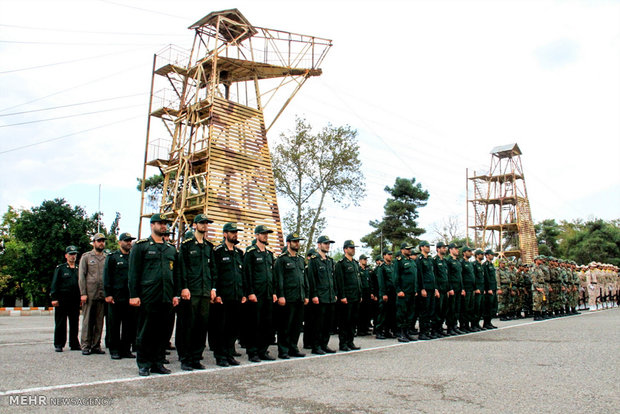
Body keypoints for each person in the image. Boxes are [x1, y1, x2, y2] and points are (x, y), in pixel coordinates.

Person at [128, 213, 180, 376]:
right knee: (146, 331)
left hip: (166, 296)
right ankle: (144, 363)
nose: (164, 226)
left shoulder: (170, 249)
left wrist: (176, 294)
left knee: (162, 332)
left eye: (165, 223)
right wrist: (134, 295)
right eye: (160, 223)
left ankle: (158, 362)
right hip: (148, 295)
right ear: (152, 225)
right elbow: (133, 273)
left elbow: (176, 274)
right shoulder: (141, 246)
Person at [176, 214, 217, 370]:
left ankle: (196, 357)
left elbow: (213, 269)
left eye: (206, 223)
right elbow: (182, 268)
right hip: (191, 291)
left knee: (202, 326)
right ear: (194, 225)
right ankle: (185, 358)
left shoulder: (208, 246)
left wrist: (213, 288)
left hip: (205, 292)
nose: (205, 225)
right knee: (189, 325)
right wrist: (184, 287)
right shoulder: (186, 245)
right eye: (202, 223)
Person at [212, 222, 246, 367]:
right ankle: (221, 356)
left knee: (233, 327)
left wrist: (243, 293)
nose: (235, 234)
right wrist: (216, 292)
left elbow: (242, 275)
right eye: (232, 232)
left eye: (236, 232)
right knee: (221, 328)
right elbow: (215, 273)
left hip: (236, 295)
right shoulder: (218, 251)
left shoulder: (239, 253)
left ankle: (229, 353)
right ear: (225, 234)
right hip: (223, 296)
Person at [243, 225, 277, 362]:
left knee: (266, 324)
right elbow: (247, 274)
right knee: (254, 324)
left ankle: (263, 350)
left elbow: (272, 275)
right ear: (256, 236)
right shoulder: (251, 253)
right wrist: (250, 292)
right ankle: (253, 352)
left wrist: (274, 292)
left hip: (268, 294)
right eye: (263, 234)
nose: (265, 236)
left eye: (267, 234)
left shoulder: (269, 254)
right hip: (256, 295)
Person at [274, 233, 309, 359]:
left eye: (298, 241)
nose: (297, 244)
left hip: (299, 296)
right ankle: (283, 350)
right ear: (288, 243)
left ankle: (293, 348)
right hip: (288, 297)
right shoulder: (282, 259)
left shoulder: (300, 259)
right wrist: (281, 295)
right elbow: (279, 279)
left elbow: (304, 279)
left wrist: (306, 295)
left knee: (296, 325)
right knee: (285, 325)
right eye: (295, 241)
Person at [103, 232, 137, 360]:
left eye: (130, 241)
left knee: (129, 325)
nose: (129, 243)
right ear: (120, 242)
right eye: (126, 240)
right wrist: (108, 294)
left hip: (130, 296)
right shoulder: (112, 257)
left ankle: (126, 349)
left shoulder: (133, 257)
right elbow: (107, 276)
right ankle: (115, 350)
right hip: (116, 296)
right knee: (114, 325)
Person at [306, 235, 337, 355]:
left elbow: (332, 279)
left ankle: (324, 344)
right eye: (325, 243)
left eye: (329, 243)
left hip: (329, 296)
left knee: (328, 324)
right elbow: (311, 279)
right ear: (319, 245)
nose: (327, 245)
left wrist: (334, 293)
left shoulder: (329, 261)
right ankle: (316, 346)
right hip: (320, 296)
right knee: (318, 323)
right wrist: (313, 295)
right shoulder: (314, 260)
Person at [78, 233, 107, 355]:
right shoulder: (86, 257)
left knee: (99, 321)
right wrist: (83, 293)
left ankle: (96, 345)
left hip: (102, 294)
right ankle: (85, 345)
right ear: (94, 242)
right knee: (88, 320)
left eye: (103, 241)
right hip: (90, 293)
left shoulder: (106, 258)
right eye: (99, 241)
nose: (101, 243)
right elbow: (81, 276)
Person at [50, 245, 81, 352]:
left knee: (74, 323)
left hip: (75, 300)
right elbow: (55, 284)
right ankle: (59, 343)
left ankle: (74, 344)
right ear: (66, 256)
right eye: (71, 254)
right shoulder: (60, 268)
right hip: (62, 300)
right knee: (60, 323)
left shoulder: (79, 268)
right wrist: (54, 298)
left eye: (74, 254)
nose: (73, 256)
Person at [334, 240, 362, 351]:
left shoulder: (355, 263)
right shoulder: (341, 264)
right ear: (345, 249)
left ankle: (350, 342)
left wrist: (360, 294)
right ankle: (343, 343)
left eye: (354, 248)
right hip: (347, 297)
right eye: (351, 248)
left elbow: (357, 280)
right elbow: (340, 281)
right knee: (345, 321)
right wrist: (342, 296)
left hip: (355, 296)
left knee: (353, 321)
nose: (353, 249)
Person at [394, 242, 418, 342]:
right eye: (407, 249)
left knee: (410, 313)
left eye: (410, 249)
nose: (409, 250)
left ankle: (407, 333)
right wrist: (399, 290)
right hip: (403, 292)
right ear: (402, 250)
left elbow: (415, 277)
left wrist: (415, 289)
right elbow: (395, 277)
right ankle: (402, 334)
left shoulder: (412, 262)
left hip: (411, 292)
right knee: (402, 313)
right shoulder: (399, 261)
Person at [416, 241, 439, 340]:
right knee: (424, 312)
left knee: (431, 311)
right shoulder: (419, 260)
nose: (429, 248)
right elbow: (419, 275)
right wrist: (422, 288)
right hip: (425, 289)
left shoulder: (430, 260)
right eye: (427, 246)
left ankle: (428, 331)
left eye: (429, 246)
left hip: (431, 288)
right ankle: (423, 332)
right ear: (421, 248)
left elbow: (433, 275)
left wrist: (435, 288)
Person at [375, 250, 396, 339]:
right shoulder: (381, 267)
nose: (390, 256)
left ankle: (387, 331)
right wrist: (383, 293)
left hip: (392, 293)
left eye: (391, 254)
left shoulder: (392, 266)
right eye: (389, 254)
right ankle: (379, 331)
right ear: (384, 256)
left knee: (390, 313)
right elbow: (381, 281)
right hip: (385, 293)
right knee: (383, 313)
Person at [433, 242, 450, 336]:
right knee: (438, 310)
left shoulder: (445, 261)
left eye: (445, 248)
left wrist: (447, 289)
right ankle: (435, 329)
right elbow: (434, 275)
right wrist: (436, 289)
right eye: (442, 248)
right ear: (437, 249)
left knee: (444, 310)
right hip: (438, 289)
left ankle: (440, 328)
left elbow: (446, 276)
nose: (444, 249)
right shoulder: (434, 260)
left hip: (445, 289)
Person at [459, 246, 476, 332]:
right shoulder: (461, 263)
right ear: (464, 253)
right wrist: (462, 288)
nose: (470, 253)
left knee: (470, 307)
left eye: (471, 251)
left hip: (471, 288)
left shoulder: (470, 263)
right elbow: (460, 276)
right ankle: (463, 325)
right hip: (465, 288)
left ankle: (468, 325)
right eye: (468, 251)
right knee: (464, 308)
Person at [482, 250, 498, 329]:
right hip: (489, 289)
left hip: (493, 287)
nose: (493, 256)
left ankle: (489, 322)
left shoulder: (491, 264)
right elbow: (486, 278)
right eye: (491, 255)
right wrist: (488, 288)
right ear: (487, 255)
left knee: (493, 306)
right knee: (488, 306)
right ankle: (486, 323)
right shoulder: (485, 265)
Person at [357, 254, 373, 336]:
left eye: (366, 259)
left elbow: (370, 282)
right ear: (360, 260)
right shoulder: (358, 270)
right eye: (364, 259)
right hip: (362, 291)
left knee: (367, 311)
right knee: (361, 312)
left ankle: (365, 328)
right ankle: (360, 329)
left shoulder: (367, 270)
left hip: (367, 292)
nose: (365, 261)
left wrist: (371, 292)